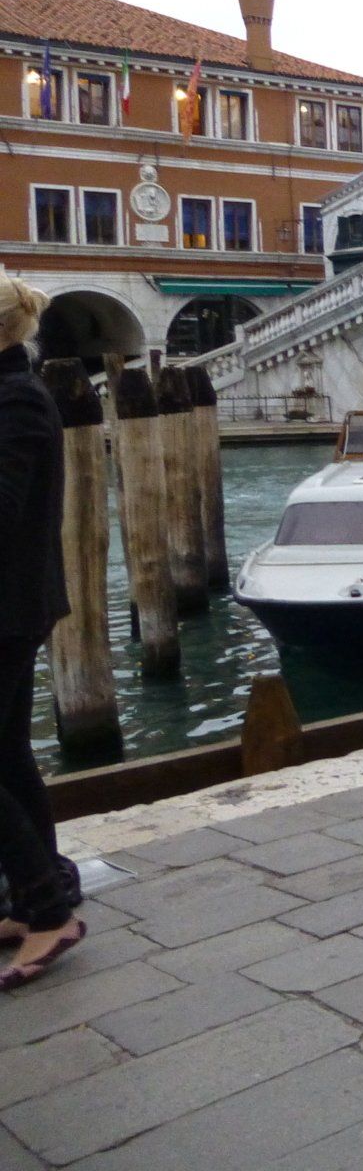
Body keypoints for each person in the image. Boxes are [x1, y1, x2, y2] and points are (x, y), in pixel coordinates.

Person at [0, 274, 86, 991]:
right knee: (8, 753)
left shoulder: (17, 400)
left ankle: (51, 910)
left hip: (5, 606)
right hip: (12, 602)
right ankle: (36, 895)